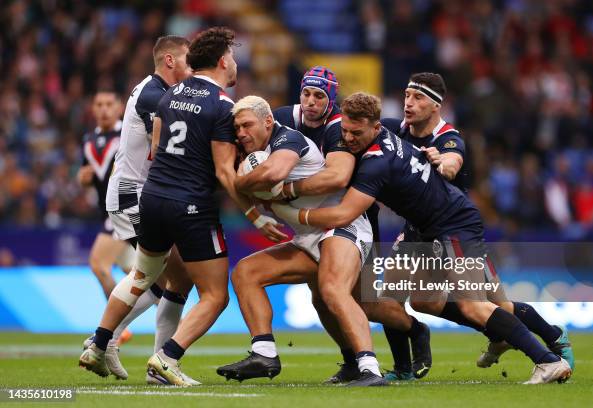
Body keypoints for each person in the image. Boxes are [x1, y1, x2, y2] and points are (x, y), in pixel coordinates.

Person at [273, 92, 573, 385]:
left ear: (375, 128)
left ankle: (546, 359)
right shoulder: (385, 132)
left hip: (454, 225)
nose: (348, 139)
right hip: (426, 228)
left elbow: (341, 215)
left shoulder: (376, 164)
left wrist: (294, 214)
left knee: (474, 305)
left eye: (356, 133)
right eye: (345, 132)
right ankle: (418, 361)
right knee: (422, 299)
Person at [380, 72, 573, 372]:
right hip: (418, 229)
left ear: (436, 106)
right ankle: (404, 368)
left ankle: (552, 337)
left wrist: (442, 163)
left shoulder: (448, 138)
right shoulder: (395, 132)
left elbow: (451, 162)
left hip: (455, 227)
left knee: (498, 307)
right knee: (408, 299)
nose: (409, 103)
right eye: (407, 95)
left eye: (418, 98)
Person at [216, 95, 384, 386]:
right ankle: (264, 352)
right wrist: (253, 201)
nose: (241, 133)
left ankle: (371, 368)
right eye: (237, 128)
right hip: (308, 236)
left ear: (268, 121)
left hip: (342, 225)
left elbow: (273, 173)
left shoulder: (287, 138)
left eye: (246, 125)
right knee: (246, 272)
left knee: (332, 290)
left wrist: (238, 180)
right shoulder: (259, 152)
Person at [274, 66, 428, 383]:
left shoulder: (341, 124)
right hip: (319, 222)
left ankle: (413, 333)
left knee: (364, 301)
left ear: (332, 100)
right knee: (322, 298)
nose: (311, 101)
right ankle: (352, 362)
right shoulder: (282, 119)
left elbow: (343, 173)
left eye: (319, 95)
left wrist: (289, 193)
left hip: (354, 215)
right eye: (306, 93)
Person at [79, 35, 195, 384]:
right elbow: (165, 150)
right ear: (170, 61)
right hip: (133, 197)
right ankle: (114, 345)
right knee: (155, 276)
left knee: (174, 279)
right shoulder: (154, 95)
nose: (191, 68)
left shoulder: (152, 90)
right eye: (188, 61)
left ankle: (113, 343)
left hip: (138, 195)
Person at [77, 90, 135, 345]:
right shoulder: (89, 139)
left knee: (98, 264)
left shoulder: (128, 134)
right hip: (107, 213)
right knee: (139, 274)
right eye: (99, 104)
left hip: (123, 211)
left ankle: (116, 327)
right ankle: (175, 317)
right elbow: (86, 174)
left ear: (120, 107)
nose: (103, 109)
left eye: (109, 104)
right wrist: (82, 179)